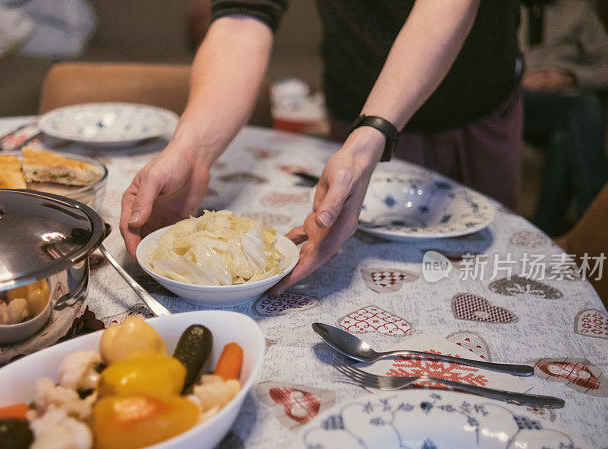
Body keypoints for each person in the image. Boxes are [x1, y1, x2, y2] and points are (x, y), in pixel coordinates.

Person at [120, 0, 522, 295]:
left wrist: (370, 136)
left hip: (476, 98)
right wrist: (192, 149)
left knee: (483, 272)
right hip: (355, 98)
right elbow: (244, 18)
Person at [519, 0, 608, 236]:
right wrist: (519, 79)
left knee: (565, 138)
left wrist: (569, 77)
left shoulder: (577, 10)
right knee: (584, 106)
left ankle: (544, 237)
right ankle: (600, 218)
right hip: (517, 103)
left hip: (564, 102)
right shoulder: (497, 10)